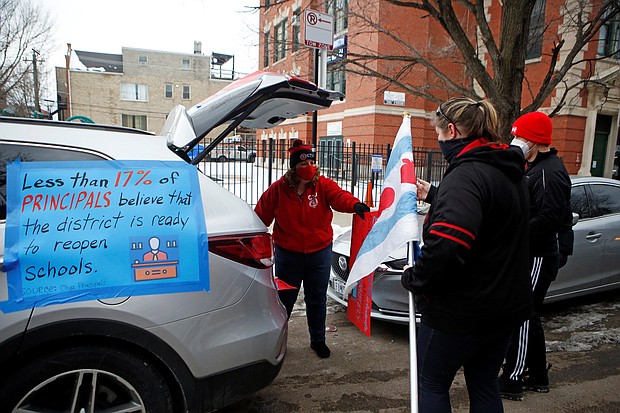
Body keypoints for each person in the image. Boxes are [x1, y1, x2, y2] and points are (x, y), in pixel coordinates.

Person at [401, 97, 532, 413]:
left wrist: (416, 279)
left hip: (461, 311)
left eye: (439, 134)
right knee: (484, 384)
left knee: (430, 383)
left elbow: (448, 245)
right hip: (503, 307)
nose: (439, 140)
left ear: (450, 129)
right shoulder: (508, 171)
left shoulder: (466, 175)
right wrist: (435, 194)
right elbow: (491, 220)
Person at [255, 139, 370, 358]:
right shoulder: (279, 189)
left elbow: (339, 197)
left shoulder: (322, 185)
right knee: (285, 301)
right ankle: (278, 342)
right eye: (302, 164)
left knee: (316, 298)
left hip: (319, 253)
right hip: (288, 254)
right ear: (293, 167)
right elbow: (261, 215)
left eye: (311, 163)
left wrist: (354, 204)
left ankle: (318, 340)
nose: (308, 168)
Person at [499, 111, 573, 400]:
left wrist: (510, 233)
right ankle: (538, 374)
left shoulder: (550, 172)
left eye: (521, 137)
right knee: (529, 316)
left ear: (535, 141)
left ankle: (513, 379)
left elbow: (549, 219)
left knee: (520, 317)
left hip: (537, 256)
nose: (516, 141)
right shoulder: (535, 168)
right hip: (532, 255)